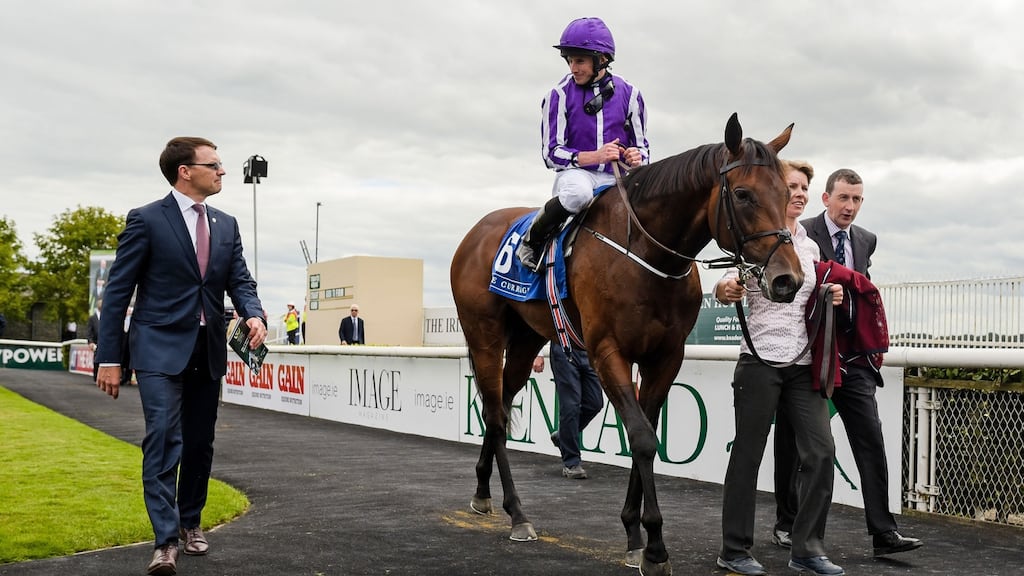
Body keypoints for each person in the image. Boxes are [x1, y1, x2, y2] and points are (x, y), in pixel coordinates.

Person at [94, 137, 267, 576]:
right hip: (155, 349)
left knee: (199, 443)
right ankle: (165, 542)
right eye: (214, 164)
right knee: (163, 436)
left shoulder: (226, 224)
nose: (222, 170)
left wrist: (253, 313)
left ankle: (191, 522)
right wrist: (109, 358)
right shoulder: (147, 219)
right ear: (185, 171)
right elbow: (117, 293)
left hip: (207, 351)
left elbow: (240, 280)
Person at [772, 168, 923, 557]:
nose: (850, 207)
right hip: (808, 355)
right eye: (843, 198)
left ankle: (884, 533)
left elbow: (862, 293)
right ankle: (787, 524)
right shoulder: (800, 232)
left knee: (870, 438)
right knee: (793, 443)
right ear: (826, 199)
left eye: (857, 200)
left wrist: (870, 342)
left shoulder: (865, 240)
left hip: (853, 358)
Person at [715, 160, 845, 576]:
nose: (801, 193)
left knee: (821, 453)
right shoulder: (752, 239)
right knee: (747, 457)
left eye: (805, 187)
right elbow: (723, 286)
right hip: (758, 363)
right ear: (776, 191)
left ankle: (806, 548)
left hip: (803, 365)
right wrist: (726, 288)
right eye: (792, 186)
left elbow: (810, 297)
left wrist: (830, 293)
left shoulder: (810, 248)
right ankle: (734, 550)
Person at [515, 16, 649, 271]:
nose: (573, 68)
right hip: (578, 176)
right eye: (569, 60)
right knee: (578, 195)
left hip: (620, 177)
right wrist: (595, 156)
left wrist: (636, 156)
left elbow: (643, 147)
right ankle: (532, 241)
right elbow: (551, 154)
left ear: (602, 59)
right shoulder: (558, 95)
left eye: (580, 61)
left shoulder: (631, 94)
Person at [534, 344, 604, 479]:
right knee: (570, 406)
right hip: (563, 349)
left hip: (588, 350)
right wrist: (539, 353)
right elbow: (545, 323)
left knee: (595, 403)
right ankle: (572, 463)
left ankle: (562, 437)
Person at [87, 301, 102, 381]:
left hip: (104, 341)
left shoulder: (106, 316)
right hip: (96, 342)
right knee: (97, 359)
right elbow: (89, 331)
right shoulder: (92, 318)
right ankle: (96, 376)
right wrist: (90, 342)